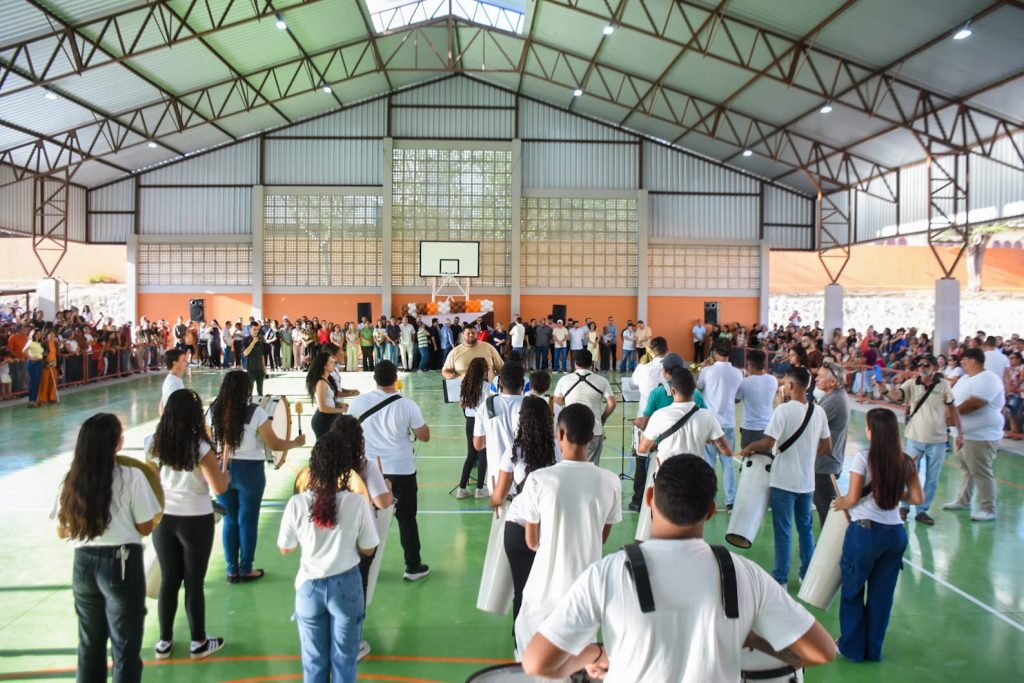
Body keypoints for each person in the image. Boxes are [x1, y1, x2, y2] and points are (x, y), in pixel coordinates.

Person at [522, 454, 836, 680]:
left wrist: (595, 654)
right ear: (711, 511)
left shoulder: (608, 573)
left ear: (649, 499)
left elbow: (537, 663)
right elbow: (821, 652)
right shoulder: (746, 574)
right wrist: (752, 640)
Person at [53, 413, 163, 683]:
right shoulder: (132, 476)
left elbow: (62, 530)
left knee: (89, 644)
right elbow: (146, 526)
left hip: (83, 564)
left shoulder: (72, 478)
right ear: (117, 443)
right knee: (125, 646)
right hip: (121, 563)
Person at [513, 404, 622, 656]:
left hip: (542, 594)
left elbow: (532, 541)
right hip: (584, 596)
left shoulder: (539, 479)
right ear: (592, 437)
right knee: (576, 661)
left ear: (559, 433)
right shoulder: (610, 481)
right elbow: (601, 537)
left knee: (533, 660)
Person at [278, 430, 380, 683]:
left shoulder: (297, 504)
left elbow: (285, 548)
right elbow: (369, 548)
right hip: (347, 586)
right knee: (345, 661)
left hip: (309, 587)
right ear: (345, 467)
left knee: (314, 663)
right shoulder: (357, 502)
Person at [833, 409, 923, 663]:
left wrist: (841, 503)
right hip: (895, 535)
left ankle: (851, 648)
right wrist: (893, 490)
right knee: (882, 596)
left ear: (872, 431)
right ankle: (873, 650)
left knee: (853, 590)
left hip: (865, 533)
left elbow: (852, 498)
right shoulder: (906, 461)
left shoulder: (864, 458)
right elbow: (918, 498)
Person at [146, 389, 230, 660]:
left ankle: (164, 642)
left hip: (164, 519)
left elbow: (151, 483)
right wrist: (225, 474)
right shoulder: (201, 447)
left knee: (169, 580)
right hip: (196, 518)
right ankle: (199, 641)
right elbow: (219, 488)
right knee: (194, 582)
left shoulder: (153, 443)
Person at [210, 371, 305, 582]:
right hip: (250, 471)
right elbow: (275, 444)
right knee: (248, 520)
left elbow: (209, 442)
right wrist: (295, 443)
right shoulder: (256, 412)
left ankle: (231, 570)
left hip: (222, 469)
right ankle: (246, 569)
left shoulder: (213, 410)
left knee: (230, 520)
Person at [742, 367, 832, 587]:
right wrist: (809, 455)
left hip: (783, 481)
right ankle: (806, 574)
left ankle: (780, 577)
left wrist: (751, 447)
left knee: (783, 530)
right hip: (806, 482)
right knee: (805, 528)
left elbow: (768, 442)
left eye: (784, 383)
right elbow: (827, 445)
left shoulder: (783, 411)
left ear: (791, 385)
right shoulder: (818, 412)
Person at [347, 361, 431, 581]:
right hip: (402, 469)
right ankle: (413, 566)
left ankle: (361, 565)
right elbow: (424, 436)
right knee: (407, 519)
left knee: (367, 518)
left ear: (374, 378)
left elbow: (348, 430)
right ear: (396, 378)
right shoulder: (407, 405)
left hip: (368, 469)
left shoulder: (359, 402)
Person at [490, 396, 559, 633]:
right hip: (550, 526)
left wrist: (495, 499)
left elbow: (498, 496)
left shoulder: (514, 451)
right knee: (548, 587)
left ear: (522, 420)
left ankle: (520, 638)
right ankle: (546, 634)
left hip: (518, 525)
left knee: (521, 588)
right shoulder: (559, 449)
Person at [886, 354, 960, 525]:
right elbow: (896, 396)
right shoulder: (912, 383)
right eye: (920, 365)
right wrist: (884, 388)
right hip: (915, 437)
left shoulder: (943, 385)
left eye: (926, 364)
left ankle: (922, 510)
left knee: (932, 478)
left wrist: (959, 432)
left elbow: (952, 407)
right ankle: (904, 508)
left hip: (938, 440)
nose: (922, 367)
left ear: (935, 367)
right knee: (908, 474)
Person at [943, 347, 1005, 521]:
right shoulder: (965, 378)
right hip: (963, 435)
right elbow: (953, 399)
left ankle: (988, 508)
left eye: (963, 360)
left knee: (981, 471)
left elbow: (975, 403)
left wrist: (952, 415)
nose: (961, 363)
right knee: (966, 470)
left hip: (981, 436)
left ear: (972, 361)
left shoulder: (989, 379)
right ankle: (964, 500)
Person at [638, 368, 731, 466]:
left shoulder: (659, 415)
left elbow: (642, 449)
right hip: (694, 471)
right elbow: (727, 451)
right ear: (694, 388)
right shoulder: (708, 416)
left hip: (667, 472)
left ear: (673, 391)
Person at [697, 338, 743, 510]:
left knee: (709, 463)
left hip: (710, 423)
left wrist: (702, 370)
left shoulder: (707, 371)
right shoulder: (738, 373)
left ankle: (711, 501)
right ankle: (731, 502)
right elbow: (737, 398)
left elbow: (698, 389)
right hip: (728, 423)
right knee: (728, 463)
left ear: (715, 352)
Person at [552, 350, 615, 465]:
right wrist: (603, 418)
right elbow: (612, 403)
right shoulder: (602, 381)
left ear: (575, 363)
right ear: (591, 364)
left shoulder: (564, 380)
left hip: (569, 429)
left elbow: (556, 403)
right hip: (594, 429)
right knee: (591, 466)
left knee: (569, 464)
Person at [473, 362, 527, 493]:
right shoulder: (530, 406)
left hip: (497, 480)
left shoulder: (486, 406)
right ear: (523, 383)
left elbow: (478, 444)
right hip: (525, 479)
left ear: (500, 382)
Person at [814, 361, 850, 525]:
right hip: (825, 462)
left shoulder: (834, 400)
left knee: (827, 511)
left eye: (820, 377)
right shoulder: (832, 396)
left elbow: (809, 422)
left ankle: (833, 541)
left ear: (833, 381)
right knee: (823, 506)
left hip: (826, 463)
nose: (817, 379)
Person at [456, 357, 491, 499]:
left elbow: (462, 404)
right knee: (483, 455)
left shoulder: (465, 384)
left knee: (471, 455)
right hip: (481, 423)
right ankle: (480, 489)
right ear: (483, 371)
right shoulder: (486, 387)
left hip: (469, 421)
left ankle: (462, 488)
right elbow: (488, 408)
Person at [736, 349, 778, 452]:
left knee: (748, 459)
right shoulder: (773, 380)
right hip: (768, 428)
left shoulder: (745, 382)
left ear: (751, 365)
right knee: (766, 459)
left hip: (749, 428)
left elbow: (736, 400)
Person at [307, 352, 348, 438]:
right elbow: (322, 408)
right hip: (323, 420)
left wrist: (340, 405)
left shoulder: (327, 380)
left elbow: (329, 400)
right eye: (331, 362)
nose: (334, 364)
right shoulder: (321, 383)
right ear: (324, 366)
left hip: (330, 417)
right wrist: (341, 409)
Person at [160, 349, 187, 413]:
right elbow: (178, 410)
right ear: (175, 363)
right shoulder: (174, 383)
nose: (186, 362)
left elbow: (161, 403)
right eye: (183, 360)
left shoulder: (174, 379)